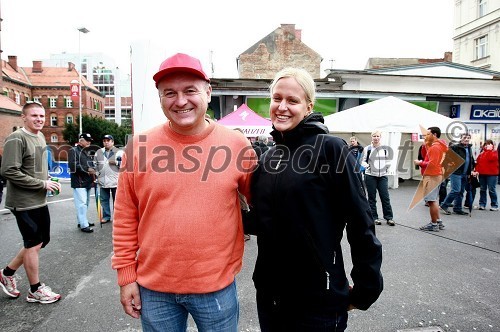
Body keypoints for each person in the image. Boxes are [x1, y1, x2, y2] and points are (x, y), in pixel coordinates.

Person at [111, 52, 256, 331]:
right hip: (154, 288)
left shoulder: (237, 145)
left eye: (190, 90)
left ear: (208, 92)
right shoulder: (139, 147)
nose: (180, 101)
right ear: (160, 98)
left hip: (216, 285)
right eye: (170, 93)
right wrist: (126, 276)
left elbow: (266, 206)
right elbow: (125, 217)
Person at [244, 67, 383, 331]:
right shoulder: (268, 158)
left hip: (318, 298)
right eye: (277, 98)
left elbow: (360, 221)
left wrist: (366, 287)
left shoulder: (331, 148)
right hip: (270, 295)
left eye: (292, 100)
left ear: (308, 106)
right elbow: (262, 221)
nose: (282, 107)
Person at [0, 101, 61, 304]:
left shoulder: (40, 136)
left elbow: (35, 168)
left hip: (39, 200)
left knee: (39, 241)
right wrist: (41, 183)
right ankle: (35, 290)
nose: (39, 119)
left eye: (42, 116)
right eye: (34, 116)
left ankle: (7, 273)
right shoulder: (16, 139)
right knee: (33, 243)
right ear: (23, 117)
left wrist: (48, 180)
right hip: (23, 202)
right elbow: (8, 170)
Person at [414, 127, 448, 231]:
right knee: (433, 200)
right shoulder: (439, 145)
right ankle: (438, 221)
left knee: (431, 201)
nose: (426, 136)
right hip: (436, 175)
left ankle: (433, 224)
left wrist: (420, 163)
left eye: (428, 134)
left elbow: (432, 164)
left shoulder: (435, 147)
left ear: (434, 135)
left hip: (432, 175)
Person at [361, 131, 396, 226]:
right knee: (372, 198)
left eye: (378, 136)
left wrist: (386, 167)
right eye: (374, 136)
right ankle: (374, 217)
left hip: (382, 176)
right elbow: (363, 161)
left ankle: (389, 218)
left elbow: (389, 161)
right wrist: (368, 166)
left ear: (380, 137)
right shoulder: (367, 149)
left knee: (385, 197)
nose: (376, 138)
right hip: (370, 176)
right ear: (371, 137)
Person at [440, 133, 477, 216]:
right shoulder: (455, 147)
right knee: (456, 190)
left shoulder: (469, 148)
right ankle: (444, 205)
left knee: (461, 191)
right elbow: (447, 158)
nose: (466, 139)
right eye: (464, 137)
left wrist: (470, 171)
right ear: (460, 138)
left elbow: (470, 160)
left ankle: (457, 208)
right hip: (456, 172)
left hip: (465, 173)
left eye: (468, 138)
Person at [68, 133, 96, 233]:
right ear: (81, 140)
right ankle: (84, 224)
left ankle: (82, 221)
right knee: (82, 203)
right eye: (87, 140)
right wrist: (88, 170)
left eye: (90, 140)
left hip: (87, 181)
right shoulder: (73, 150)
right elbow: (73, 166)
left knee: (86, 203)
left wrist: (94, 170)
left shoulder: (87, 151)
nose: (89, 142)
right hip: (79, 181)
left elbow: (90, 164)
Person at [95, 134, 122, 224]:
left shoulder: (119, 152)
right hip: (103, 180)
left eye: (108, 140)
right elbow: (95, 165)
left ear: (112, 142)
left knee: (117, 201)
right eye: (104, 141)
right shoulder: (99, 152)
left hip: (115, 181)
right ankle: (106, 216)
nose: (106, 142)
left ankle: (117, 217)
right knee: (104, 200)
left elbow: (126, 165)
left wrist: (117, 162)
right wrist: (96, 175)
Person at [474, 139, 498, 211]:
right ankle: (482, 204)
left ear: (492, 145)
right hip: (482, 174)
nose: (487, 145)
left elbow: (491, 158)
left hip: (492, 174)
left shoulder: (494, 152)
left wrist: (489, 150)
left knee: (492, 190)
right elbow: (478, 163)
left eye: (489, 144)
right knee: (482, 189)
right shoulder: (482, 153)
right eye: (486, 144)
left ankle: (494, 205)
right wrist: (476, 171)